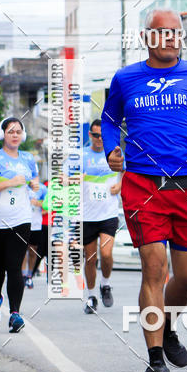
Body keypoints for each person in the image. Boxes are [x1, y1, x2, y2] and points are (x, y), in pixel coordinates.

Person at [101, 9, 187, 372]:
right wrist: (112, 148)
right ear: (147, 38)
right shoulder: (126, 78)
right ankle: (155, 359)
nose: (172, 38)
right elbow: (109, 119)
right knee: (154, 268)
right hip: (143, 184)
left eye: (176, 33)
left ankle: (168, 324)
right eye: (163, 33)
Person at [0, 117, 39, 332]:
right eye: (11, 131)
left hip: (21, 220)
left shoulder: (29, 158)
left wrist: (34, 184)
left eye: (18, 131)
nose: (15, 134)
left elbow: (35, 183)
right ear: (3, 135)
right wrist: (9, 183)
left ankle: (15, 314)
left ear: (23, 135)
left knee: (14, 266)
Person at [79, 119, 122, 314]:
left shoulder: (114, 153)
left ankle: (105, 284)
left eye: (102, 136)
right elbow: (64, 179)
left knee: (105, 254)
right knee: (90, 258)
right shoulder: (80, 156)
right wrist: (74, 179)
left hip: (108, 213)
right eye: (95, 135)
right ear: (90, 135)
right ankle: (91, 296)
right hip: (87, 215)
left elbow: (127, 173)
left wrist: (120, 185)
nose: (99, 139)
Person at [24, 182, 46, 288]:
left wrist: (38, 203)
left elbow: (49, 205)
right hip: (22, 222)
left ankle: (29, 276)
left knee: (33, 251)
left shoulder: (42, 188)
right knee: (22, 250)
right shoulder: (22, 186)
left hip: (36, 224)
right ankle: (22, 275)